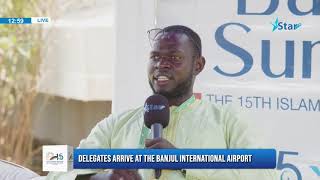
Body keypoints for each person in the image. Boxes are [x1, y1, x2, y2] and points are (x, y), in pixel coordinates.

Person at [47, 25, 277, 180]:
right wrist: (101, 176)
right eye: (155, 57)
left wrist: (185, 161)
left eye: (174, 58)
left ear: (198, 65)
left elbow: (264, 174)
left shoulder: (227, 119)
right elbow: (55, 168)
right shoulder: (118, 123)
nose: (161, 65)